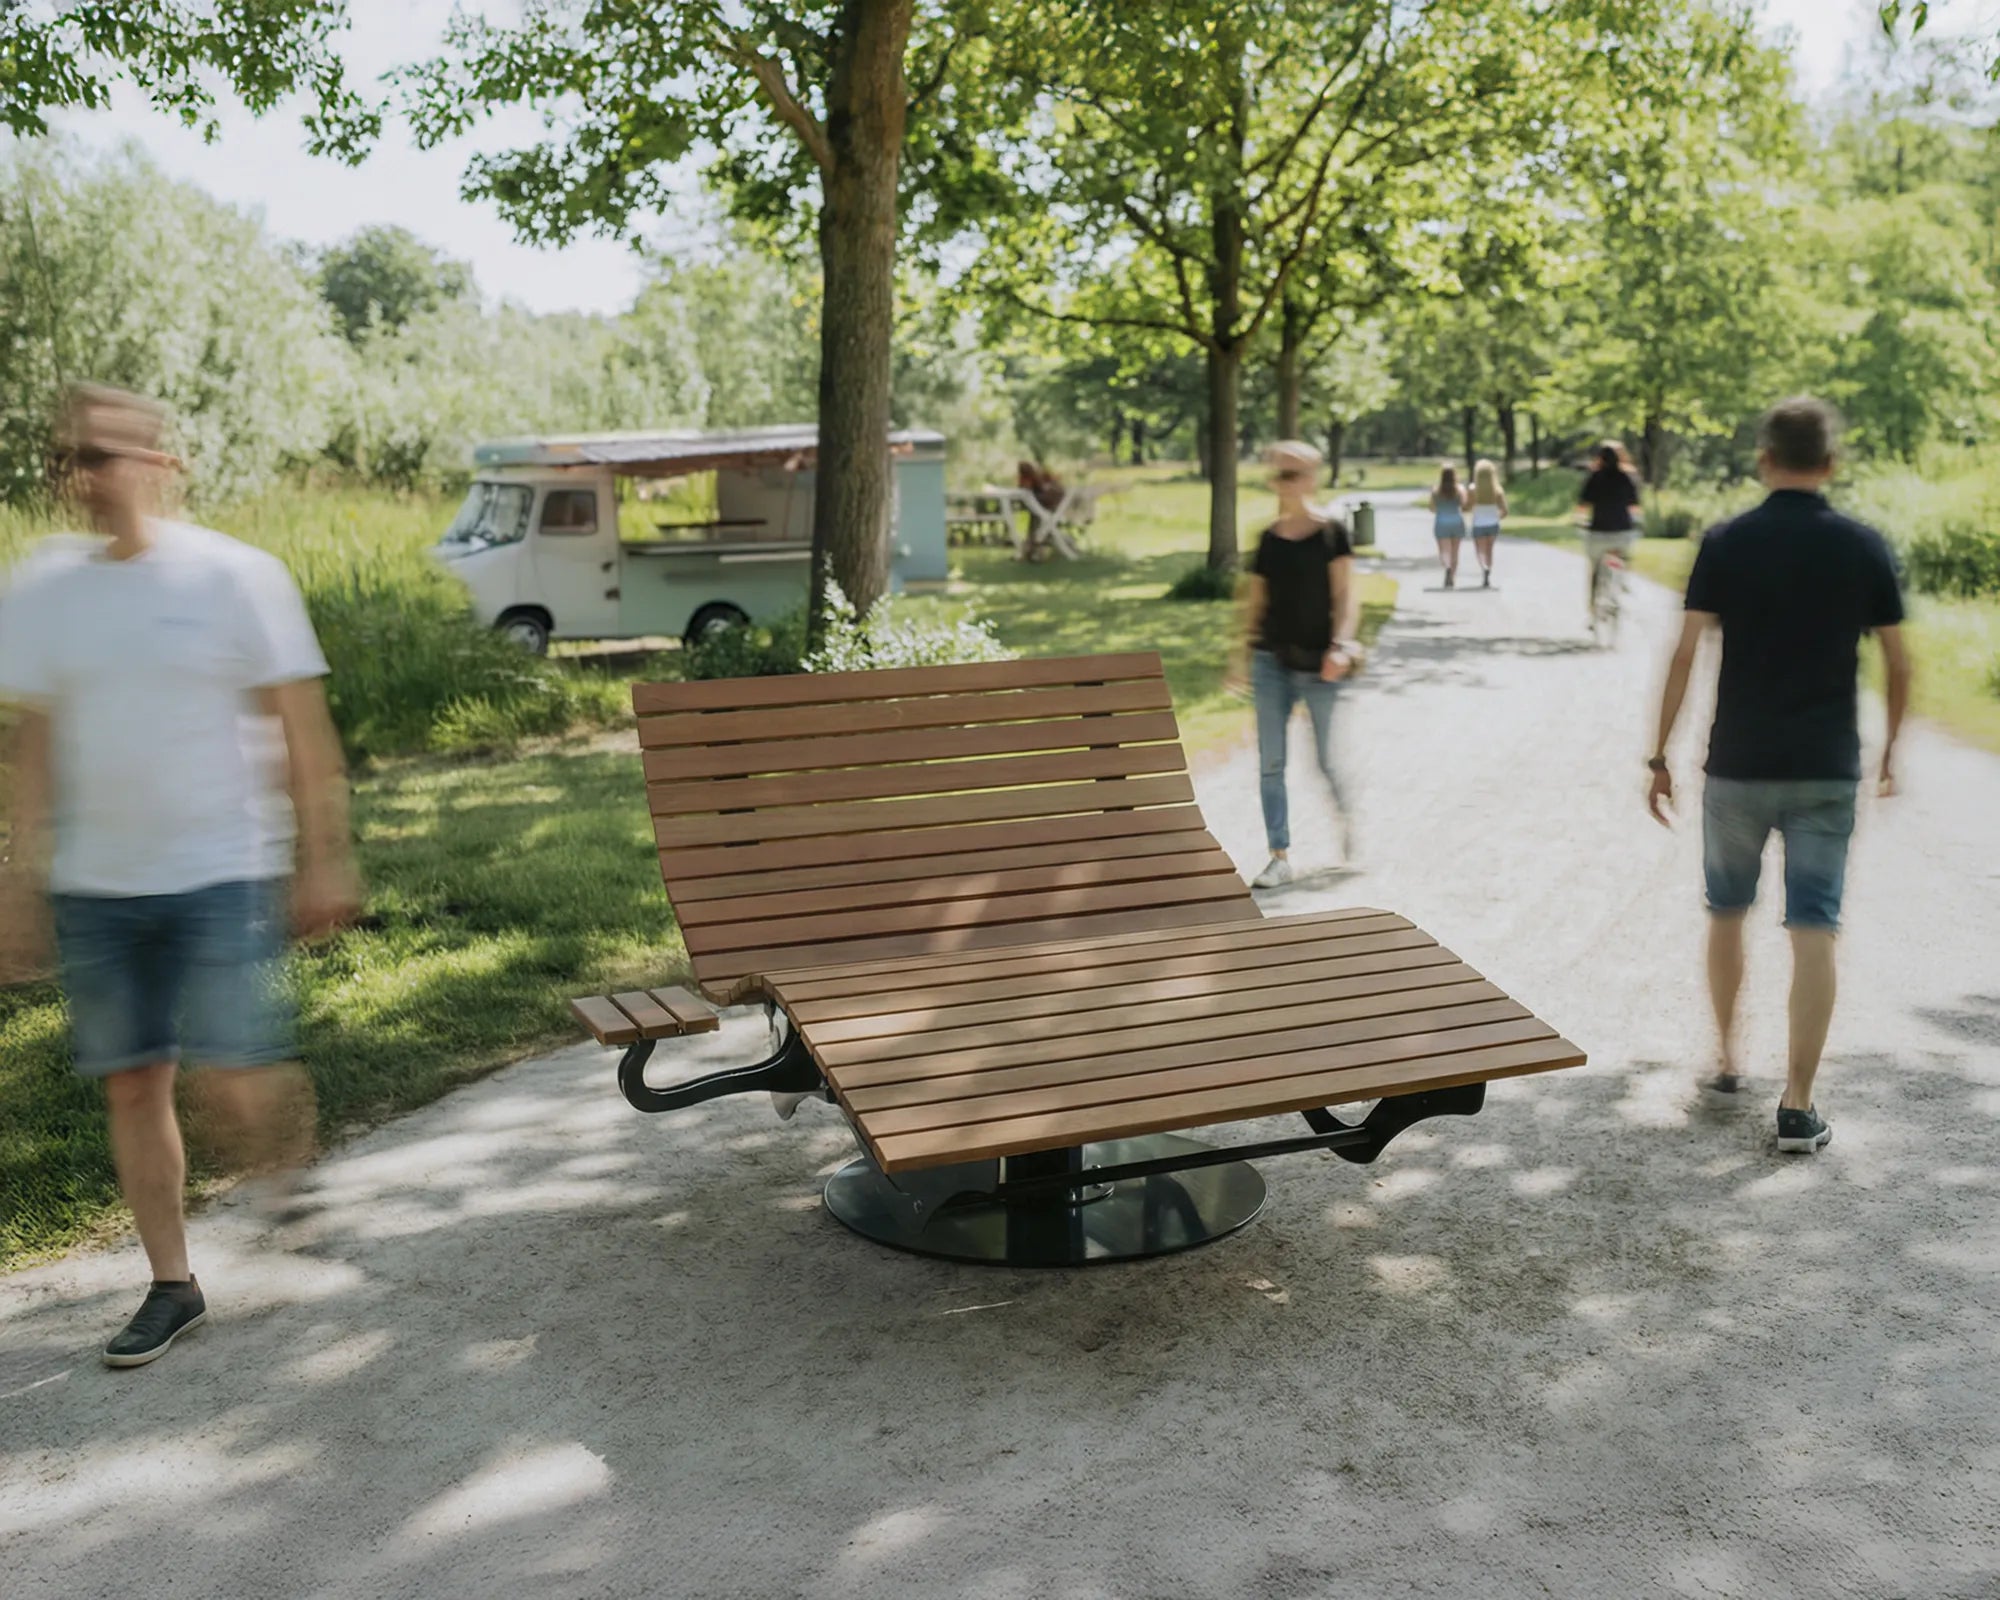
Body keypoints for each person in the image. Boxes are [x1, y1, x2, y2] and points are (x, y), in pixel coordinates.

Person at [0, 382, 360, 1366]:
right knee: (133, 1084)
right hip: (97, 882)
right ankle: (172, 1283)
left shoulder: (235, 577)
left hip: (219, 867)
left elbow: (299, 724)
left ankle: (286, 1167)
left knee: (233, 1080)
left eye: (105, 455)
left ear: (163, 464)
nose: (85, 476)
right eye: (72, 458)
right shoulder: (43, 584)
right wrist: (15, 881)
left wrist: (323, 852)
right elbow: (31, 742)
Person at [1647, 397, 1910, 1156]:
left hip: (1737, 766)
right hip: (1826, 769)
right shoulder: (1862, 545)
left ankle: (1727, 1061)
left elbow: (1685, 652)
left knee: (1726, 909)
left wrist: (1658, 755)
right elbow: (1897, 659)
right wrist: (1889, 752)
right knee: (1814, 926)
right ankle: (1797, 1104)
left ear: (1765, 460)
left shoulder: (1727, 541)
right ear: (1831, 464)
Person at [1225, 440, 1363, 887]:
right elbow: (1254, 604)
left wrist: (1341, 644)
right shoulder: (1268, 539)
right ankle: (1279, 854)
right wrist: (1240, 659)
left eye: (1295, 473)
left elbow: (1346, 597)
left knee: (1324, 759)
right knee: (1271, 762)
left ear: (1312, 477)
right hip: (1271, 662)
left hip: (1321, 662)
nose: (1287, 482)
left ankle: (1346, 823)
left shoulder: (1332, 532)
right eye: (1280, 474)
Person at [1575, 443, 1641, 622]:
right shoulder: (1627, 477)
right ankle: (1620, 582)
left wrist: (1579, 520)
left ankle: (1592, 610)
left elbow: (1582, 504)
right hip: (1621, 533)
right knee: (1621, 557)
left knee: (1595, 567)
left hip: (1598, 533)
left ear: (1599, 458)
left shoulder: (1594, 477)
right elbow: (1634, 505)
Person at [1429, 462, 1469, 588]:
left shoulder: (1436, 490)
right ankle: (1452, 576)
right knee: (1455, 551)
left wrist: (1440, 509)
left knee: (1444, 551)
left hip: (1441, 522)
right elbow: (1464, 505)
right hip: (1456, 521)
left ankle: (1446, 567)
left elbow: (1431, 508)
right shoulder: (1460, 489)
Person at [1468, 458, 1506, 588]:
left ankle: (1484, 567)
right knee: (1489, 550)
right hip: (1493, 524)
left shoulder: (1473, 489)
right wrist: (1496, 517)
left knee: (1480, 550)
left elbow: (1468, 506)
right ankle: (1488, 569)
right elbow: (1504, 511)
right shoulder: (1497, 490)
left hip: (1478, 524)